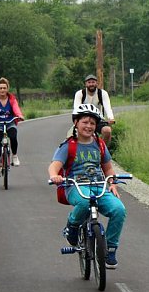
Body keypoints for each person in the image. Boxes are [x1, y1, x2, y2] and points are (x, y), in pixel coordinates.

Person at [48, 103, 126, 268]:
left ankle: (110, 249)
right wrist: (55, 176)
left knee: (119, 209)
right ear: (76, 122)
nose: (89, 126)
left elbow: (108, 168)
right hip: (75, 186)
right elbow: (54, 165)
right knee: (84, 203)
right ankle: (73, 224)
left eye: (92, 123)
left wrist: (112, 183)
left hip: (98, 185)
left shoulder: (99, 144)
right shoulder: (68, 145)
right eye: (85, 122)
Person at [72, 74, 115, 145]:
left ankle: (102, 150)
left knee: (107, 131)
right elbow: (76, 108)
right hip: (83, 120)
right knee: (71, 136)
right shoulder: (80, 94)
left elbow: (107, 107)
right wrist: (76, 120)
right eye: (89, 82)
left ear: (97, 83)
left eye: (93, 82)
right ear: (85, 84)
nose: (91, 84)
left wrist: (111, 118)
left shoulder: (102, 93)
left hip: (98, 119)